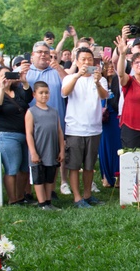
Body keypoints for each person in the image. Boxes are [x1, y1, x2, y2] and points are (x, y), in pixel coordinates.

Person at [61, 48, 109, 207]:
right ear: (77, 61)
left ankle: (88, 194)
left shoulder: (100, 79)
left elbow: (104, 96)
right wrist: (78, 75)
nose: (87, 62)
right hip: (75, 129)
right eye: (83, 59)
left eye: (90, 59)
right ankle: (77, 197)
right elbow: (65, 92)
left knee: (89, 166)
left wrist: (96, 81)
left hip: (94, 128)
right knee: (74, 165)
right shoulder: (70, 78)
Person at [0, 65, 33, 206]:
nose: (7, 78)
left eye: (9, 75)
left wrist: (24, 81)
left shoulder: (18, 91)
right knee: (12, 167)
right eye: (3, 76)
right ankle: (13, 199)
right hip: (4, 134)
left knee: (24, 168)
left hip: (23, 134)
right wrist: (2, 89)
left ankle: (20, 196)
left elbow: (28, 98)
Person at [26, 81, 65, 210]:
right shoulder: (31, 112)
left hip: (51, 150)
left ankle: (48, 201)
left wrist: (61, 150)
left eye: (46, 92)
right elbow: (29, 133)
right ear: (34, 94)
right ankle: (41, 203)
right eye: (41, 93)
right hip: (38, 150)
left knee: (50, 177)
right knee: (39, 177)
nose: (44, 95)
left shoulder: (54, 112)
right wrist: (33, 152)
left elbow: (59, 131)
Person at [98, 58, 121, 188]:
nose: (110, 68)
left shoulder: (120, 82)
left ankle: (117, 177)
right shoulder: (100, 82)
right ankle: (106, 177)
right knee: (105, 146)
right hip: (104, 117)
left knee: (117, 147)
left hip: (116, 117)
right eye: (107, 66)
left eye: (112, 65)